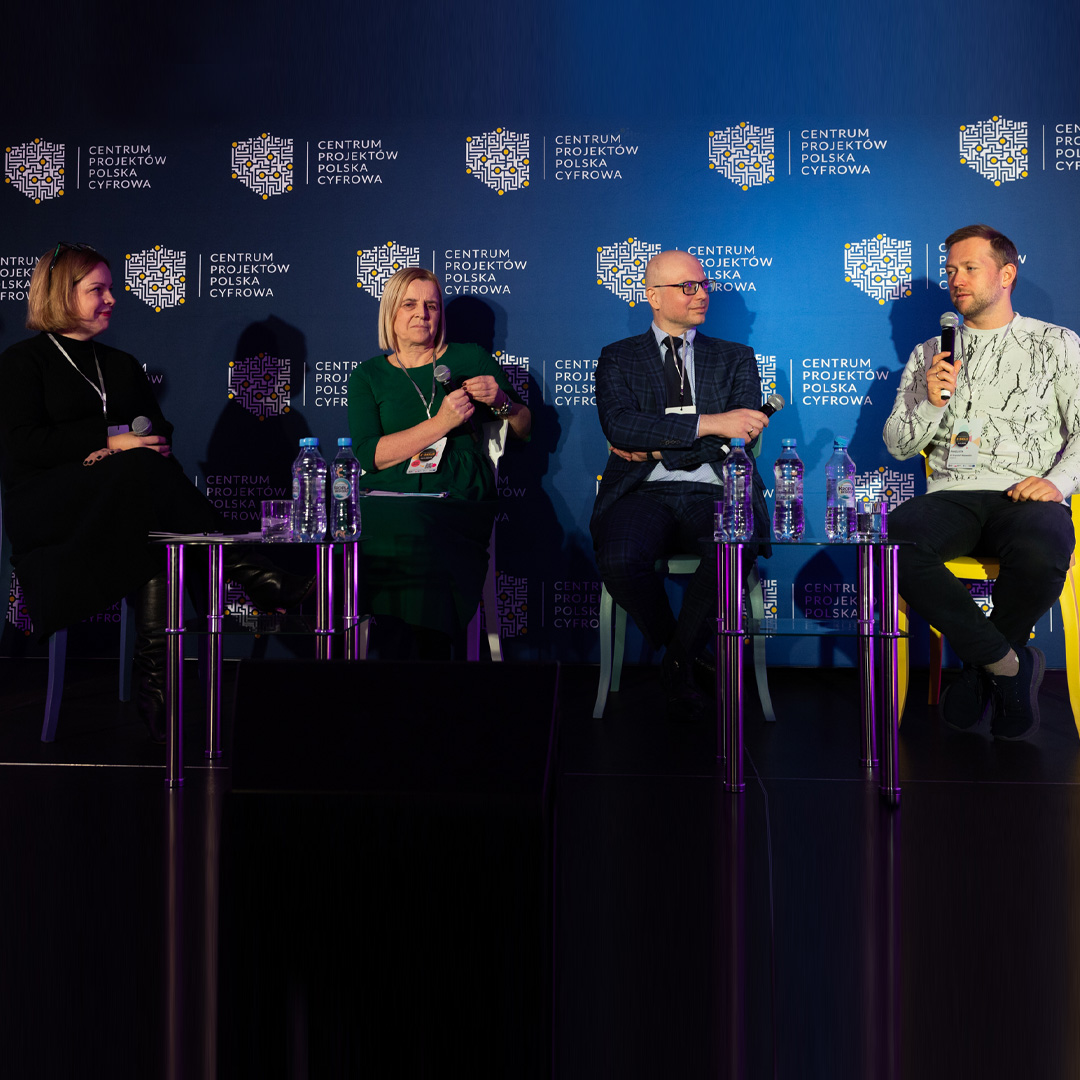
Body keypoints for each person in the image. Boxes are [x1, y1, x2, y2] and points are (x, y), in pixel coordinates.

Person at [0, 243, 310, 741]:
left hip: (122, 502)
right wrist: (110, 443)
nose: (111, 298)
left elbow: (156, 429)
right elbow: (22, 446)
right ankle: (252, 572)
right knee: (140, 476)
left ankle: (158, 695)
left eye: (110, 288)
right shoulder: (22, 362)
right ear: (62, 294)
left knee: (157, 540)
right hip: (49, 509)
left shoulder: (121, 364)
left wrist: (142, 444)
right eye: (96, 290)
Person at [884, 224, 1080, 739]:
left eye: (969, 268)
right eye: (950, 269)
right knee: (893, 542)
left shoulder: (1056, 343)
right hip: (951, 495)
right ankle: (1007, 663)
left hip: (1027, 493)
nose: (956, 279)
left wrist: (1058, 482)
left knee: (1043, 548)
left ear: (1007, 273)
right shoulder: (932, 353)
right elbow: (898, 446)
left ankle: (978, 668)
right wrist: (929, 400)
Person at [590, 249, 771, 716]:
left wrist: (655, 443)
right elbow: (621, 428)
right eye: (688, 286)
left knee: (731, 546)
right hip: (642, 489)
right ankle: (685, 655)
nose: (702, 293)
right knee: (619, 556)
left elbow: (739, 436)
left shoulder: (735, 358)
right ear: (652, 295)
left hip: (715, 487)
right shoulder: (618, 357)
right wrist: (710, 422)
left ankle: (674, 663)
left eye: (704, 284)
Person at [346, 268, 531, 658]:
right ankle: (409, 650)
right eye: (410, 304)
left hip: (459, 487)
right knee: (377, 519)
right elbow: (369, 454)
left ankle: (423, 652)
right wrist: (443, 422)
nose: (422, 314)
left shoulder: (470, 357)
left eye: (431, 305)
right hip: (389, 488)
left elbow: (523, 429)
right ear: (391, 312)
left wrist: (502, 401)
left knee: (417, 521)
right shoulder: (368, 375)